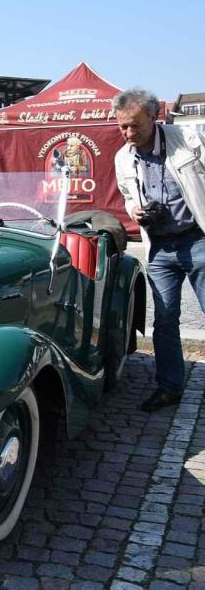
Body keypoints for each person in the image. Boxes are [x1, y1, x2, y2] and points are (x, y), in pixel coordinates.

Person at [113, 88, 205, 411]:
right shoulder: (122, 157)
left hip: (198, 240)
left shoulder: (189, 140)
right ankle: (169, 388)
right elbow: (127, 194)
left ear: (154, 117)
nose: (127, 133)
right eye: (122, 126)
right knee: (164, 321)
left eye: (134, 125)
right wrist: (134, 210)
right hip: (160, 247)